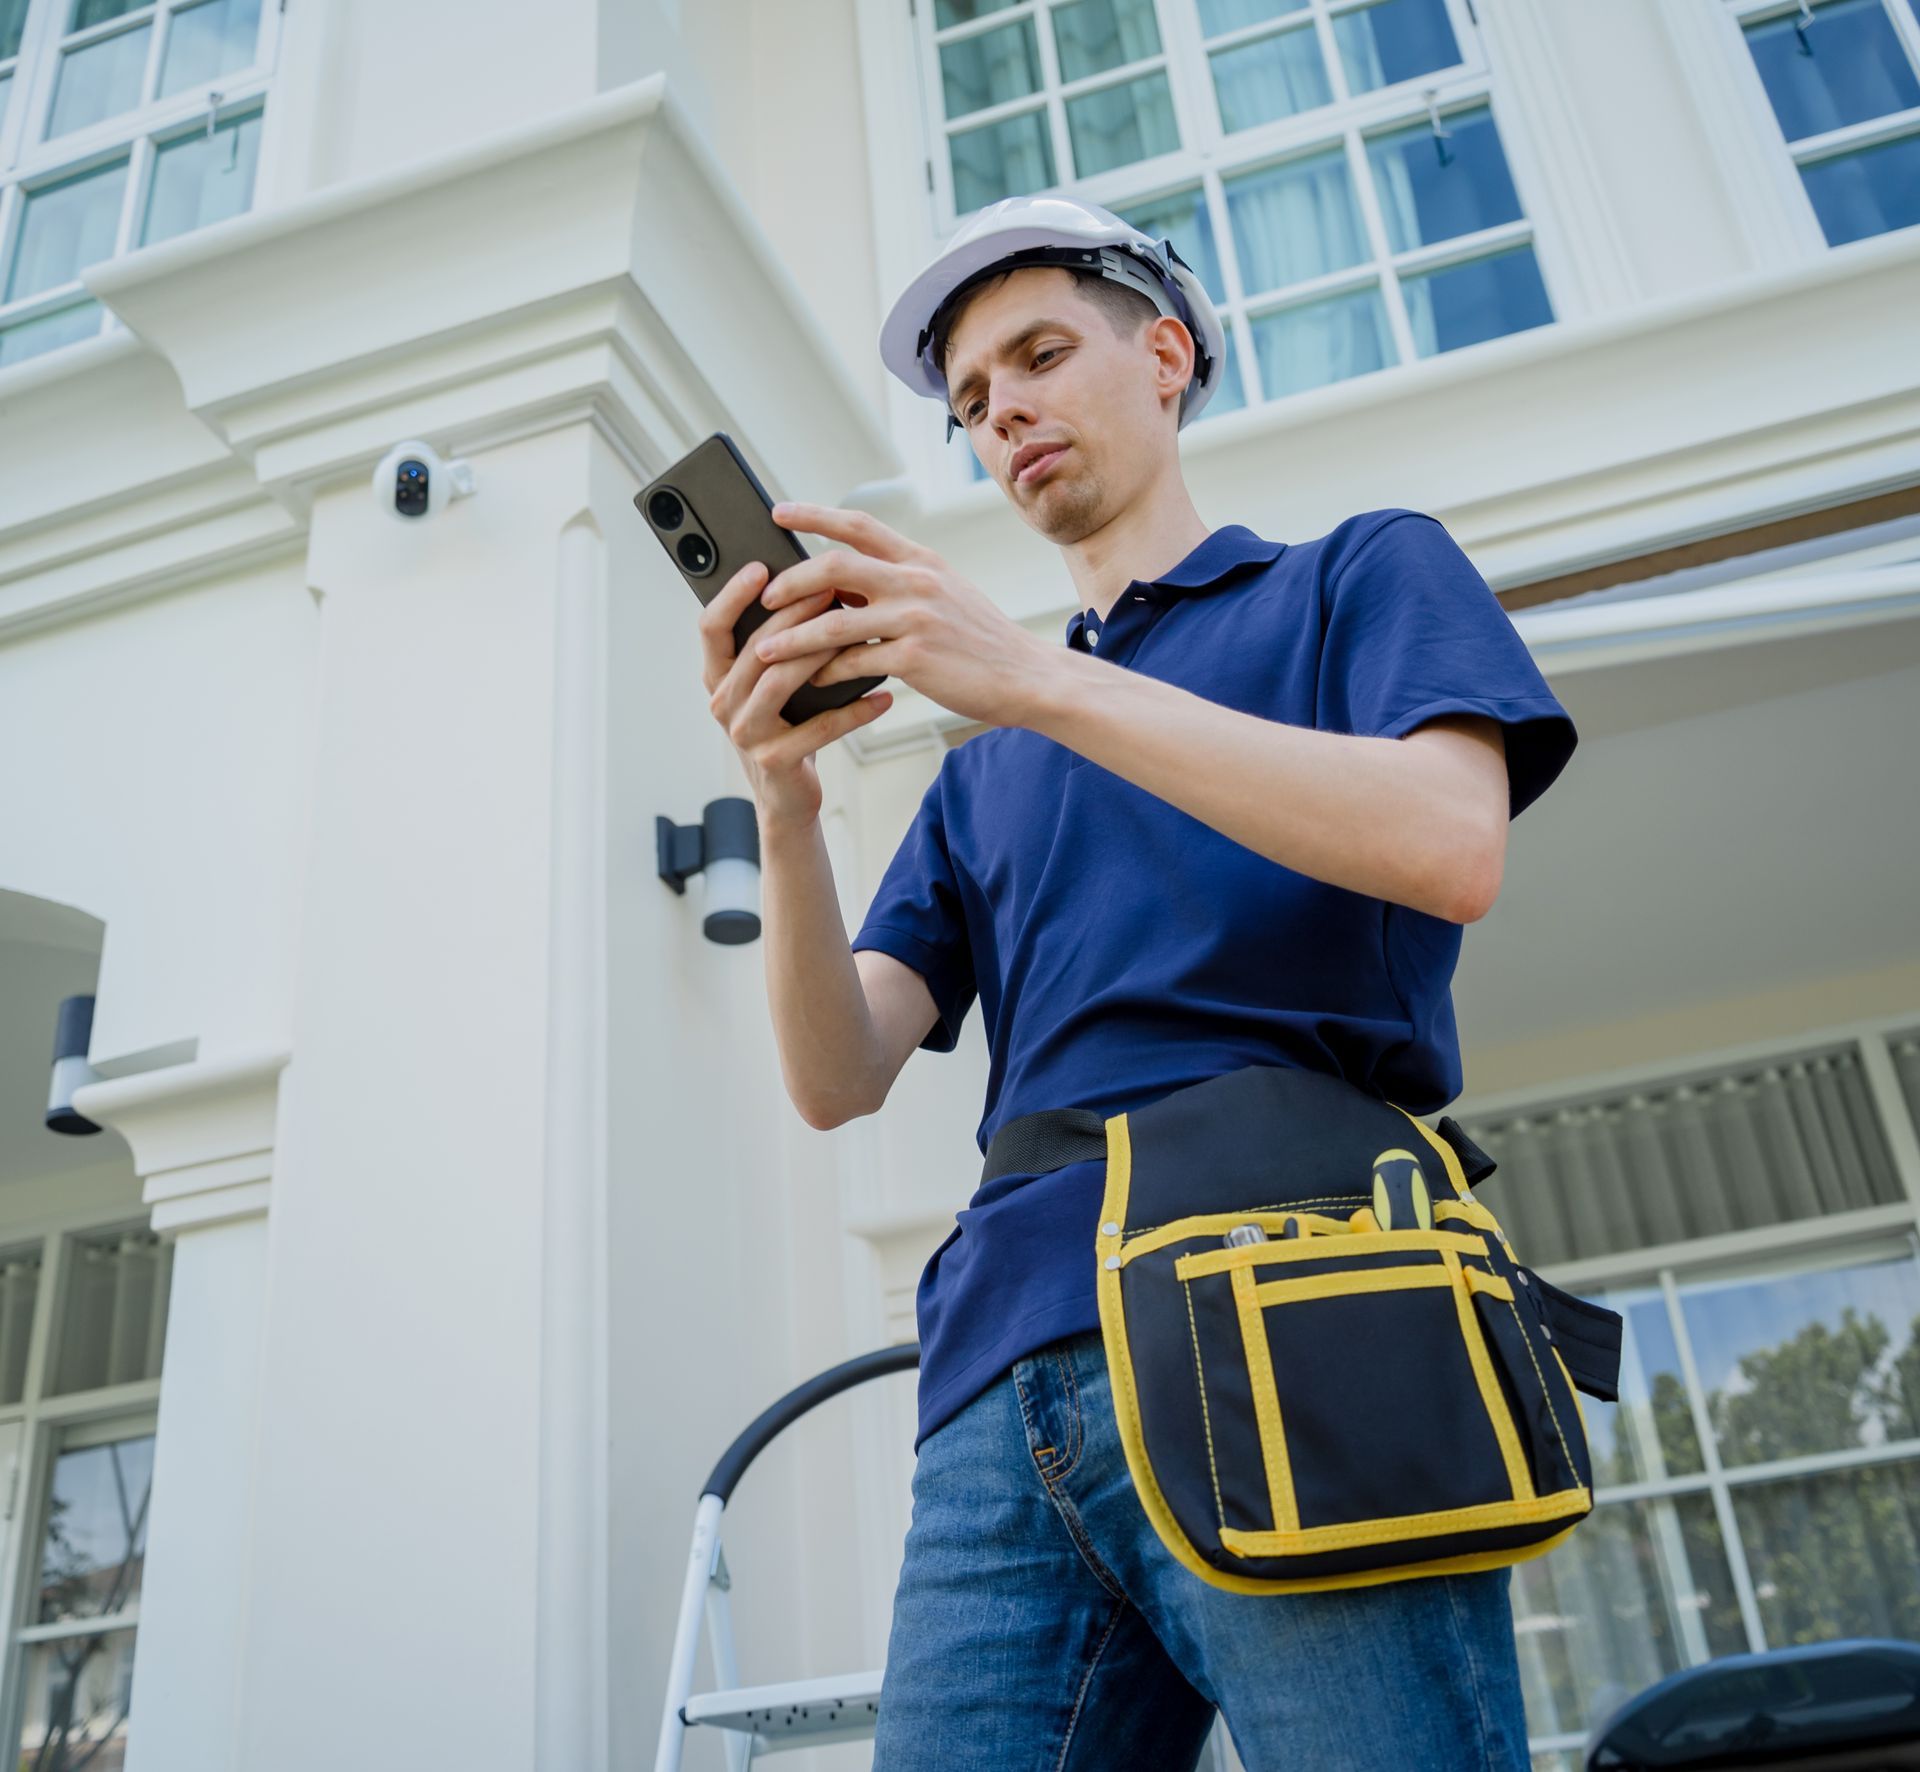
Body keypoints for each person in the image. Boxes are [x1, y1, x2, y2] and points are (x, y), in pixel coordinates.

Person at [695, 194, 1577, 1770]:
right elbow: (838, 1074)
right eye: (970, 401)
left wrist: (1046, 676)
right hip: (996, 1388)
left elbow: (1453, 845)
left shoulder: (1359, 576)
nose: (1003, 412)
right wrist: (786, 804)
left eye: (1039, 355)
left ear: (1165, 356)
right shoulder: (984, 776)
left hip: (1301, 1292)